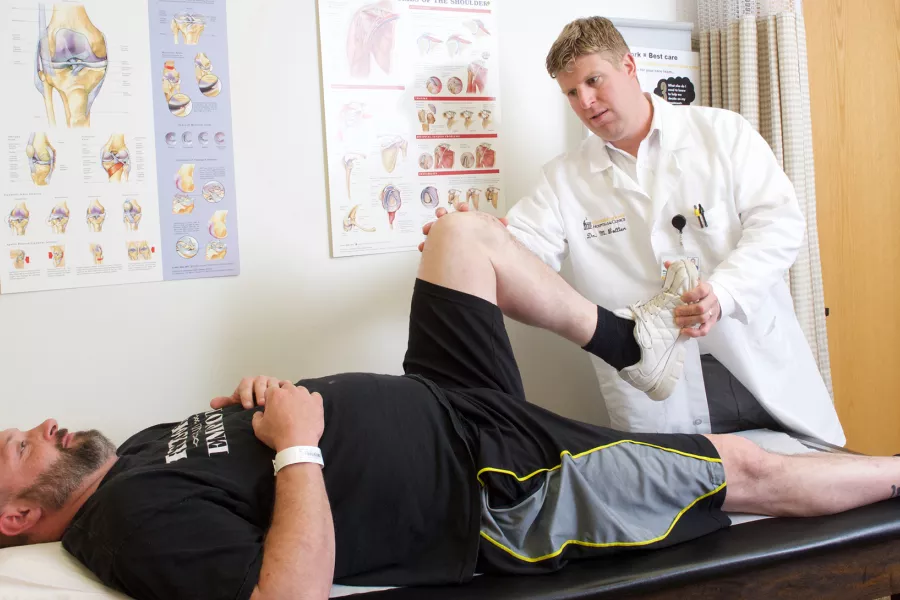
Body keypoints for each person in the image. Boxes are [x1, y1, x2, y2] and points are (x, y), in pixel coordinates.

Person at [0, 212, 891, 600]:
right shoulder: (120, 525)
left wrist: (257, 402)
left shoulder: (140, 457)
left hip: (447, 400)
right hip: (495, 487)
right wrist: (297, 446)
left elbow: (252, 452)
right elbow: (288, 593)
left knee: (462, 236)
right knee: (746, 468)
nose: (41, 427)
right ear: (15, 515)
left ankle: (631, 344)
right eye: (17, 449)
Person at [426, 16, 843, 444]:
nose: (586, 100)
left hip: (749, 359)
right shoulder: (564, 179)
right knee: (689, 500)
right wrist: (476, 241)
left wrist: (725, 292)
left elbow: (779, 224)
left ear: (628, 67)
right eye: (572, 91)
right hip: (660, 392)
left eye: (594, 80)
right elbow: (521, 254)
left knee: (804, 491)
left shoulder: (722, 134)